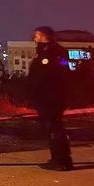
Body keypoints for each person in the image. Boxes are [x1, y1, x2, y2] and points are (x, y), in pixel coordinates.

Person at [27, 25, 73, 171]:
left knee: (54, 128)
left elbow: (43, 76)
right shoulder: (57, 51)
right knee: (56, 127)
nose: (34, 39)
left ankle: (60, 160)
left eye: (36, 36)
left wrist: (35, 93)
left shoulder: (49, 52)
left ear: (42, 36)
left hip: (49, 97)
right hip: (54, 96)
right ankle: (61, 158)